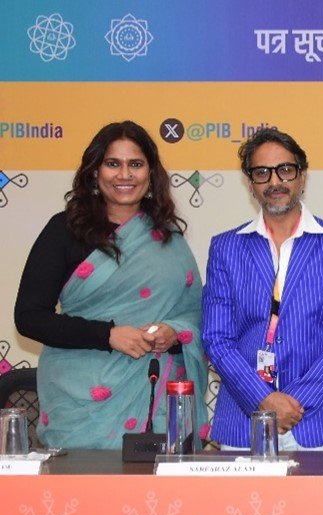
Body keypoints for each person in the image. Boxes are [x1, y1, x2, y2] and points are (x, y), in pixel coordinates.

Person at [14, 120, 207, 449]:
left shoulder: (167, 236)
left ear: (151, 173)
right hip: (82, 405)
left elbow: (194, 313)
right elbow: (29, 317)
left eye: (136, 164)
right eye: (113, 164)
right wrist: (108, 335)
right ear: (95, 172)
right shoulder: (65, 230)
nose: (125, 175)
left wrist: (173, 332)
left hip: (158, 400)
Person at [201, 129, 323, 450]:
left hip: (317, 422)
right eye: (262, 172)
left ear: (302, 177)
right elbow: (216, 338)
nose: (275, 181)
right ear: (250, 183)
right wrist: (262, 399)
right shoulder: (226, 248)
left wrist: (296, 402)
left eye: (285, 170)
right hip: (245, 420)